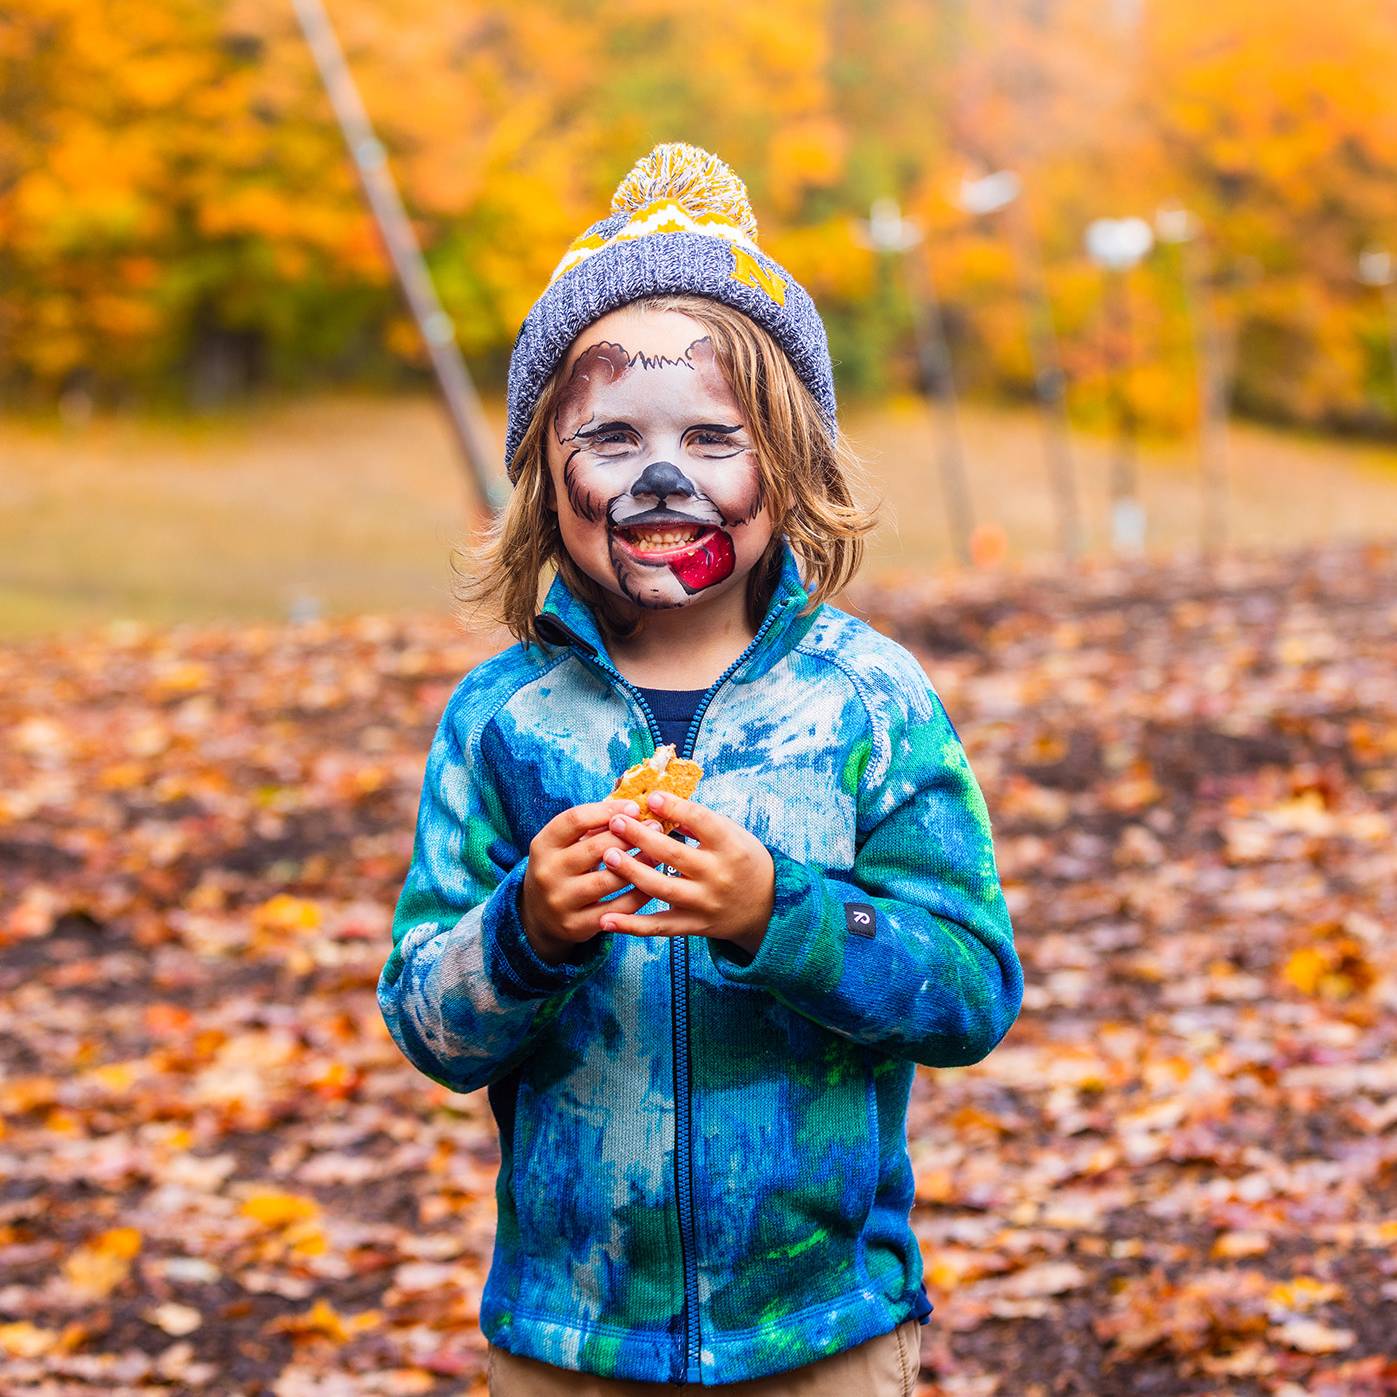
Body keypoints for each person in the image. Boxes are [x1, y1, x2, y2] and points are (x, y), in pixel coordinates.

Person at [377, 142, 1023, 1395]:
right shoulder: (503, 720)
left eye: (710, 435)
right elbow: (427, 1022)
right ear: (542, 475)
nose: (660, 475)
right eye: (610, 434)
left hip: (821, 1328)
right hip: (571, 1338)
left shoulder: (864, 700)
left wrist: (775, 913)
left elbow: (968, 990)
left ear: (784, 464)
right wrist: (524, 931)